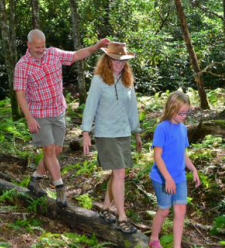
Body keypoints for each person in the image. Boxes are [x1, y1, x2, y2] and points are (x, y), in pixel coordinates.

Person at [14, 29, 110, 206]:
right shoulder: (22, 66)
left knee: (56, 152)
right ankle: (60, 188)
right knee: (49, 151)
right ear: (28, 45)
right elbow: (20, 94)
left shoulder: (53, 54)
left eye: (43, 46)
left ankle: (35, 180)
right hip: (39, 114)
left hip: (58, 111)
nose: (41, 50)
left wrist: (97, 46)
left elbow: (77, 54)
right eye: (37, 48)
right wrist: (29, 118)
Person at [81, 42, 141, 234]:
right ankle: (122, 217)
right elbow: (90, 106)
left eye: (123, 61)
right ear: (107, 60)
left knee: (117, 173)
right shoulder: (98, 80)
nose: (119, 64)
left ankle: (106, 208)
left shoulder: (127, 80)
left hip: (123, 132)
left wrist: (137, 133)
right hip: (105, 133)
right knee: (120, 173)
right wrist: (85, 133)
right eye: (116, 61)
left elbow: (132, 108)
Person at [147, 91, 201, 248]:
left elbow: (182, 153)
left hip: (179, 177)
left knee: (181, 210)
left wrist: (192, 169)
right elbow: (157, 156)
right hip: (162, 177)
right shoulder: (162, 128)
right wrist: (167, 178)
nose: (184, 116)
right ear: (171, 109)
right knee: (164, 210)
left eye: (186, 113)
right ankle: (153, 239)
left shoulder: (183, 129)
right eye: (181, 113)